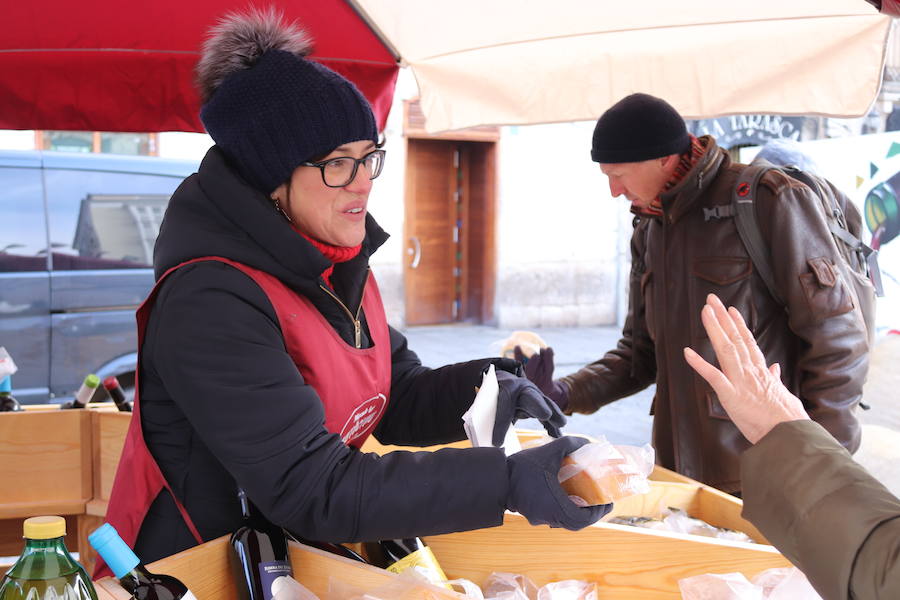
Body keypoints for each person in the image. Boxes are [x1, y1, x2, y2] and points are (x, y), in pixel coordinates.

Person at [98, 8, 608, 571]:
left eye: (369, 156)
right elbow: (314, 486)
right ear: (271, 181)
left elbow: (395, 392)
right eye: (338, 163)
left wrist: (492, 388)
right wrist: (505, 481)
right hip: (192, 569)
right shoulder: (210, 300)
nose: (363, 180)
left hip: (287, 558)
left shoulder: (334, 264)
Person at [519, 93, 868, 494]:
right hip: (679, 477)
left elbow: (839, 341)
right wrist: (563, 392)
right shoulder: (649, 229)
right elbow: (639, 354)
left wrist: (825, 462)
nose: (614, 191)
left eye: (618, 174)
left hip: (772, 473)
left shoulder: (767, 200)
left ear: (664, 158)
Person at [685, 294, 900, 600]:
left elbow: (838, 343)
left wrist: (798, 435)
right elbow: (639, 346)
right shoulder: (652, 244)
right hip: (746, 448)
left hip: (773, 464)